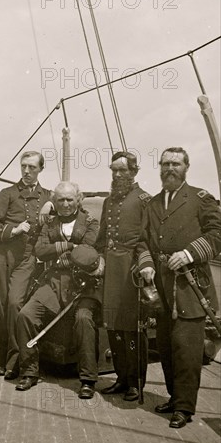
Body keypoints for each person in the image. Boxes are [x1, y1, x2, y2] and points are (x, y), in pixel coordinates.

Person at [144, 147, 221, 428]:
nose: (169, 168)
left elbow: (217, 235)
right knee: (165, 346)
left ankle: (185, 408)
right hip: (162, 284)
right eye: (165, 163)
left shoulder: (201, 199)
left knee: (186, 349)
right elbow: (144, 241)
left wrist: (188, 253)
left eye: (175, 163)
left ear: (186, 167)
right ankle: (175, 398)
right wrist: (146, 265)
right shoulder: (153, 204)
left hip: (191, 284)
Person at [14, 181, 102, 398]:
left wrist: (63, 252)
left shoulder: (91, 222)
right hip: (53, 283)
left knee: (83, 319)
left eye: (69, 199)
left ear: (78, 199)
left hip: (83, 287)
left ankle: (88, 379)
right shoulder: (50, 223)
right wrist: (71, 248)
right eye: (60, 199)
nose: (65, 204)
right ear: (54, 201)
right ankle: (29, 372)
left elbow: (88, 252)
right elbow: (40, 251)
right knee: (26, 314)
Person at [96, 152, 155, 402]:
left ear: (134, 172)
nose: (117, 175)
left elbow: (148, 239)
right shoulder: (109, 202)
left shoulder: (144, 200)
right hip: (111, 271)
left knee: (132, 329)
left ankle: (136, 382)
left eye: (122, 170)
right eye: (114, 170)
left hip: (131, 271)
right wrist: (97, 258)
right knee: (114, 327)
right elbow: (100, 238)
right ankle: (121, 378)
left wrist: (143, 265)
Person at [0, 151, 52, 378]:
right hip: (3, 255)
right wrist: (13, 230)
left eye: (32, 167)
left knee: (15, 303)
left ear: (40, 169)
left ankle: (14, 359)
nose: (26, 171)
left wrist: (50, 204)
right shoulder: (7, 194)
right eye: (23, 166)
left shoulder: (49, 196)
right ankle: (0, 354)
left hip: (27, 258)